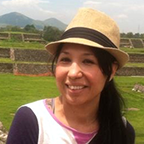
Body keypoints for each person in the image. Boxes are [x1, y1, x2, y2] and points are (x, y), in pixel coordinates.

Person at [6, 8, 135, 144]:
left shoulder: (122, 131)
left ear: (111, 71)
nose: (73, 73)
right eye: (66, 59)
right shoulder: (32, 121)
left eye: (88, 61)